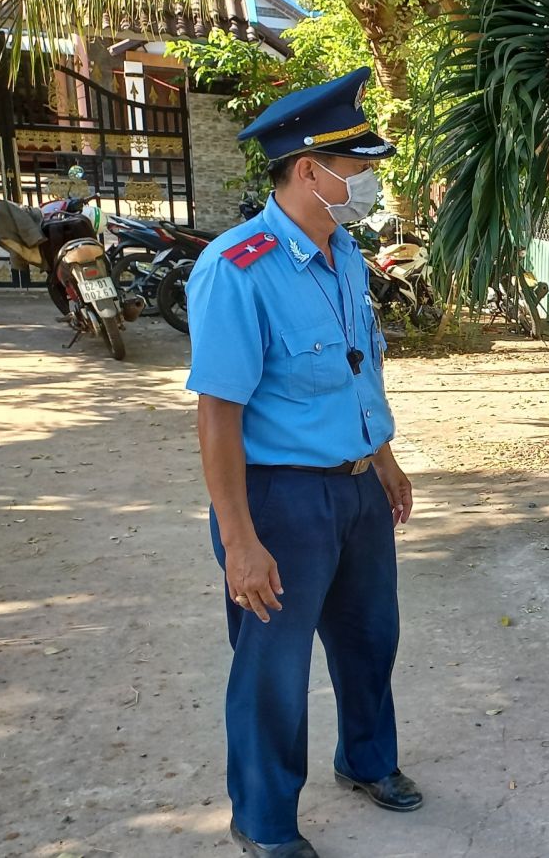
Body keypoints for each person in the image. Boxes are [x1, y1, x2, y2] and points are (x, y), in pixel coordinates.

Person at [186, 67, 421, 858]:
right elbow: (217, 414)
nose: (367, 184)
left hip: (356, 493)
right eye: (356, 171)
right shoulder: (237, 268)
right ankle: (264, 820)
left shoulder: (346, 252)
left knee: (369, 640)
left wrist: (382, 458)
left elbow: (359, 366)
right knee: (273, 671)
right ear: (308, 171)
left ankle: (367, 760)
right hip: (280, 501)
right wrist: (240, 538)